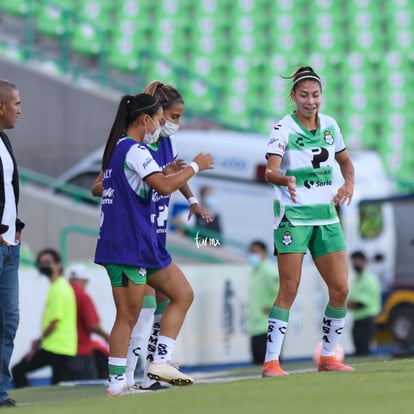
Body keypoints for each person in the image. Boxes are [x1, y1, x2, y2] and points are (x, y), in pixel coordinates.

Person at [93, 92, 214, 396]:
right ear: (145, 119)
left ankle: (160, 362)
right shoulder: (134, 149)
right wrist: (195, 166)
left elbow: (153, 183)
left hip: (142, 245)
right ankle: (118, 383)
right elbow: (162, 185)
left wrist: (173, 174)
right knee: (129, 315)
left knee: (181, 294)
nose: (161, 126)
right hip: (127, 246)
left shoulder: (123, 149)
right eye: (160, 119)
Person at [261, 66, 355, 377]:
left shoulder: (330, 126)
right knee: (289, 287)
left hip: (326, 217)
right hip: (294, 218)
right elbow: (269, 171)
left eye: (315, 95)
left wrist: (348, 184)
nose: (310, 101)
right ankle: (271, 362)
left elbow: (345, 162)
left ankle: (328, 356)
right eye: (304, 95)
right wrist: (281, 178)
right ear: (293, 96)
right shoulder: (283, 128)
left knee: (340, 288)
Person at [12, 248, 77, 387]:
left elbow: (54, 322)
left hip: (58, 346)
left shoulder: (60, 288)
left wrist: (38, 342)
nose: (44, 266)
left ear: (58, 264)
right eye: (41, 263)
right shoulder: (57, 286)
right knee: (58, 384)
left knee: (19, 370)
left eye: (48, 262)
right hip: (58, 346)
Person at [0, 79, 25, 408]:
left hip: (10, 244)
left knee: (9, 320)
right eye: (16, 103)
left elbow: (8, 189)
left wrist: (15, 227)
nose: (20, 110)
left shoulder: (4, 140)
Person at [67, 263, 110, 380]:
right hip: (81, 350)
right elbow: (93, 325)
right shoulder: (83, 297)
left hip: (63, 350)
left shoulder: (63, 293)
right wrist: (107, 336)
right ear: (83, 280)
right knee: (87, 386)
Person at [247, 240, 279, 365]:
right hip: (256, 327)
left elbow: (280, 291)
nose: (252, 255)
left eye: (255, 251)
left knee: (270, 364)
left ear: (264, 253)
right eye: (250, 252)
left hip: (267, 327)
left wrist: (272, 307)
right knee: (258, 365)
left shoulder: (268, 271)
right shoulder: (254, 272)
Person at [347, 251, 382, 356]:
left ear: (365, 262)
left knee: (363, 353)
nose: (355, 264)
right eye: (354, 261)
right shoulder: (358, 279)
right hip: (359, 320)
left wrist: (342, 305)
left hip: (366, 320)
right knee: (359, 352)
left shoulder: (368, 280)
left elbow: (360, 303)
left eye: (358, 261)